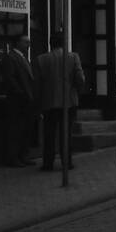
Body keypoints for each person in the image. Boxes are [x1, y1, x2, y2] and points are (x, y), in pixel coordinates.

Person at [35, 31, 85, 171]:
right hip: (68, 101)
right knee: (66, 133)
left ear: (51, 43)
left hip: (49, 102)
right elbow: (80, 79)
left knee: (49, 134)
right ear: (64, 43)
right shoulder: (73, 57)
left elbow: (37, 84)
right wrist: (77, 90)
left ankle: (48, 163)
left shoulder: (41, 59)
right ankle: (66, 162)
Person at [0, 34, 37, 167]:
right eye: (26, 42)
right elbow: (10, 78)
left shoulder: (23, 57)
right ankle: (13, 158)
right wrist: (20, 93)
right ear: (18, 43)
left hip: (26, 100)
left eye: (29, 42)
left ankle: (23, 155)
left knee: (25, 129)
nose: (29, 45)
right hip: (17, 101)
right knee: (15, 129)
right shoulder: (11, 57)